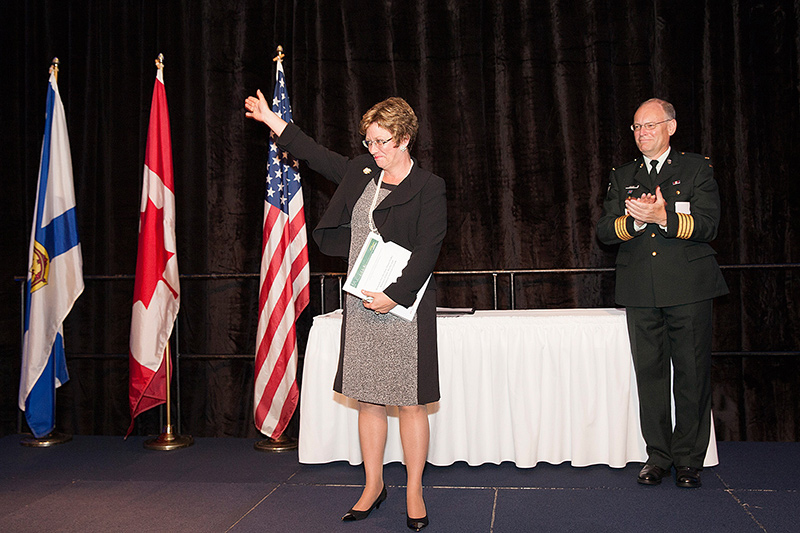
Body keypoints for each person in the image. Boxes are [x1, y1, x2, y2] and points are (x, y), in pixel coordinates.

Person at [245, 92, 446, 530]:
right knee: (369, 399)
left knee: (411, 404)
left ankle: (414, 490)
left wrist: (395, 294)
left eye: (380, 141)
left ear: (405, 138)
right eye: (369, 141)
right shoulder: (362, 171)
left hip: (403, 306)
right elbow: (314, 155)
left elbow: (429, 250)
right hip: (361, 303)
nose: (372, 149)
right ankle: (373, 485)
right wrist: (272, 121)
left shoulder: (429, 186)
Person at [596, 98, 728, 488]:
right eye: (636, 128)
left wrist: (663, 217)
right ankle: (658, 456)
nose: (642, 134)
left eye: (649, 126)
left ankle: (689, 459)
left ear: (670, 126)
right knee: (650, 376)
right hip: (640, 289)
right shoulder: (622, 175)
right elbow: (605, 231)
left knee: (691, 374)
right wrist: (635, 223)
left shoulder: (694, 167)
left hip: (688, 288)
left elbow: (708, 225)